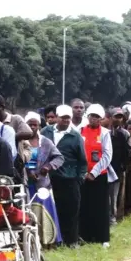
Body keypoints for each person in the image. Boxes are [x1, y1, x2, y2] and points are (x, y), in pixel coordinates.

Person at [40, 105, 87, 247]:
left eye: (68, 118)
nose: (66, 120)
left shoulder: (75, 136)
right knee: (52, 209)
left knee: (71, 210)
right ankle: (53, 240)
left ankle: (71, 240)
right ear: (57, 118)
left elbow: (82, 160)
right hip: (49, 178)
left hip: (69, 178)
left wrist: (79, 177)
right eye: (63, 118)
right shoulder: (46, 132)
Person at [24, 111, 65, 244]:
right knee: (27, 211)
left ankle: (47, 240)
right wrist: (27, 171)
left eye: (35, 125)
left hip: (42, 184)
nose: (32, 127)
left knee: (45, 212)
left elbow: (59, 157)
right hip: (25, 184)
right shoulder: (20, 142)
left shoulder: (46, 142)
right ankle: (29, 241)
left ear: (39, 126)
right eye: (30, 125)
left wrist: (48, 167)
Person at [79, 104, 113, 247]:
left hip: (99, 176)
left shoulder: (105, 133)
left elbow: (107, 155)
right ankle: (85, 236)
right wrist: (83, 172)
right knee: (84, 206)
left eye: (97, 117)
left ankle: (102, 237)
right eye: (92, 116)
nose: (94, 119)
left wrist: (94, 172)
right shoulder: (80, 131)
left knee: (101, 206)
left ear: (101, 119)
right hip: (83, 175)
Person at [103, 108, 131, 225]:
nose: (118, 119)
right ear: (110, 117)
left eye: (120, 117)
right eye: (116, 116)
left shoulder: (125, 134)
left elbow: (129, 152)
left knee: (115, 195)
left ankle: (113, 218)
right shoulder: (104, 132)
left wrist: (122, 165)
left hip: (117, 169)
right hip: (103, 167)